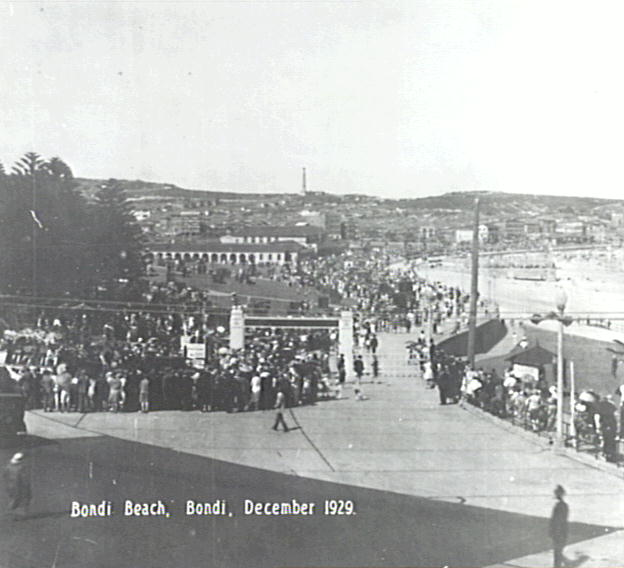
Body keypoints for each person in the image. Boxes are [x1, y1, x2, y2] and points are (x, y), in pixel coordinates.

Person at [4, 452, 31, 520]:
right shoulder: (21, 468)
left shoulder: (8, 467)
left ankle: (11, 513)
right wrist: (27, 486)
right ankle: (21, 515)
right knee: (24, 499)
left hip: (10, 486)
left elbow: (5, 476)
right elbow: (24, 478)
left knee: (13, 499)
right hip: (20, 486)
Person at [549, 485, 569, 568]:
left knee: (557, 554)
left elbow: (557, 521)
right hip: (561, 532)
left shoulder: (560, 506)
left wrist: (553, 532)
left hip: (558, 533)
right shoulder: (564, 505)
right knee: (558, 553)